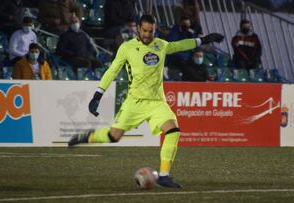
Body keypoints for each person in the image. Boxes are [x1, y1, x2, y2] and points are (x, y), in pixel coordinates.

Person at [67, 14, 223, 188]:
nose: (148, 34)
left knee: (173, 131)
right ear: (139, 29)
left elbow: (180, 45)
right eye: (145, 31)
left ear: (155, 29)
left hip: (157, 102)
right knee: (114, 136)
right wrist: (98, 95)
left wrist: (204, 40)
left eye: (151, 31)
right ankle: (87, 136)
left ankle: (164, 175)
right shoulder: (127, 48)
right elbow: (112, 71)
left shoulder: (160, 45)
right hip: (135, 102)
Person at [166, 16, 208, 81]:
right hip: (175, 62)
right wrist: (186, 56)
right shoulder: (174, 32)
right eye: (184, 25)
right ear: (180, 23)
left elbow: (195, 44)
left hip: (187, 62)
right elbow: (172, 48)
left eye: (188, 25)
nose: (186, 27)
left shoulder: (190, 33)